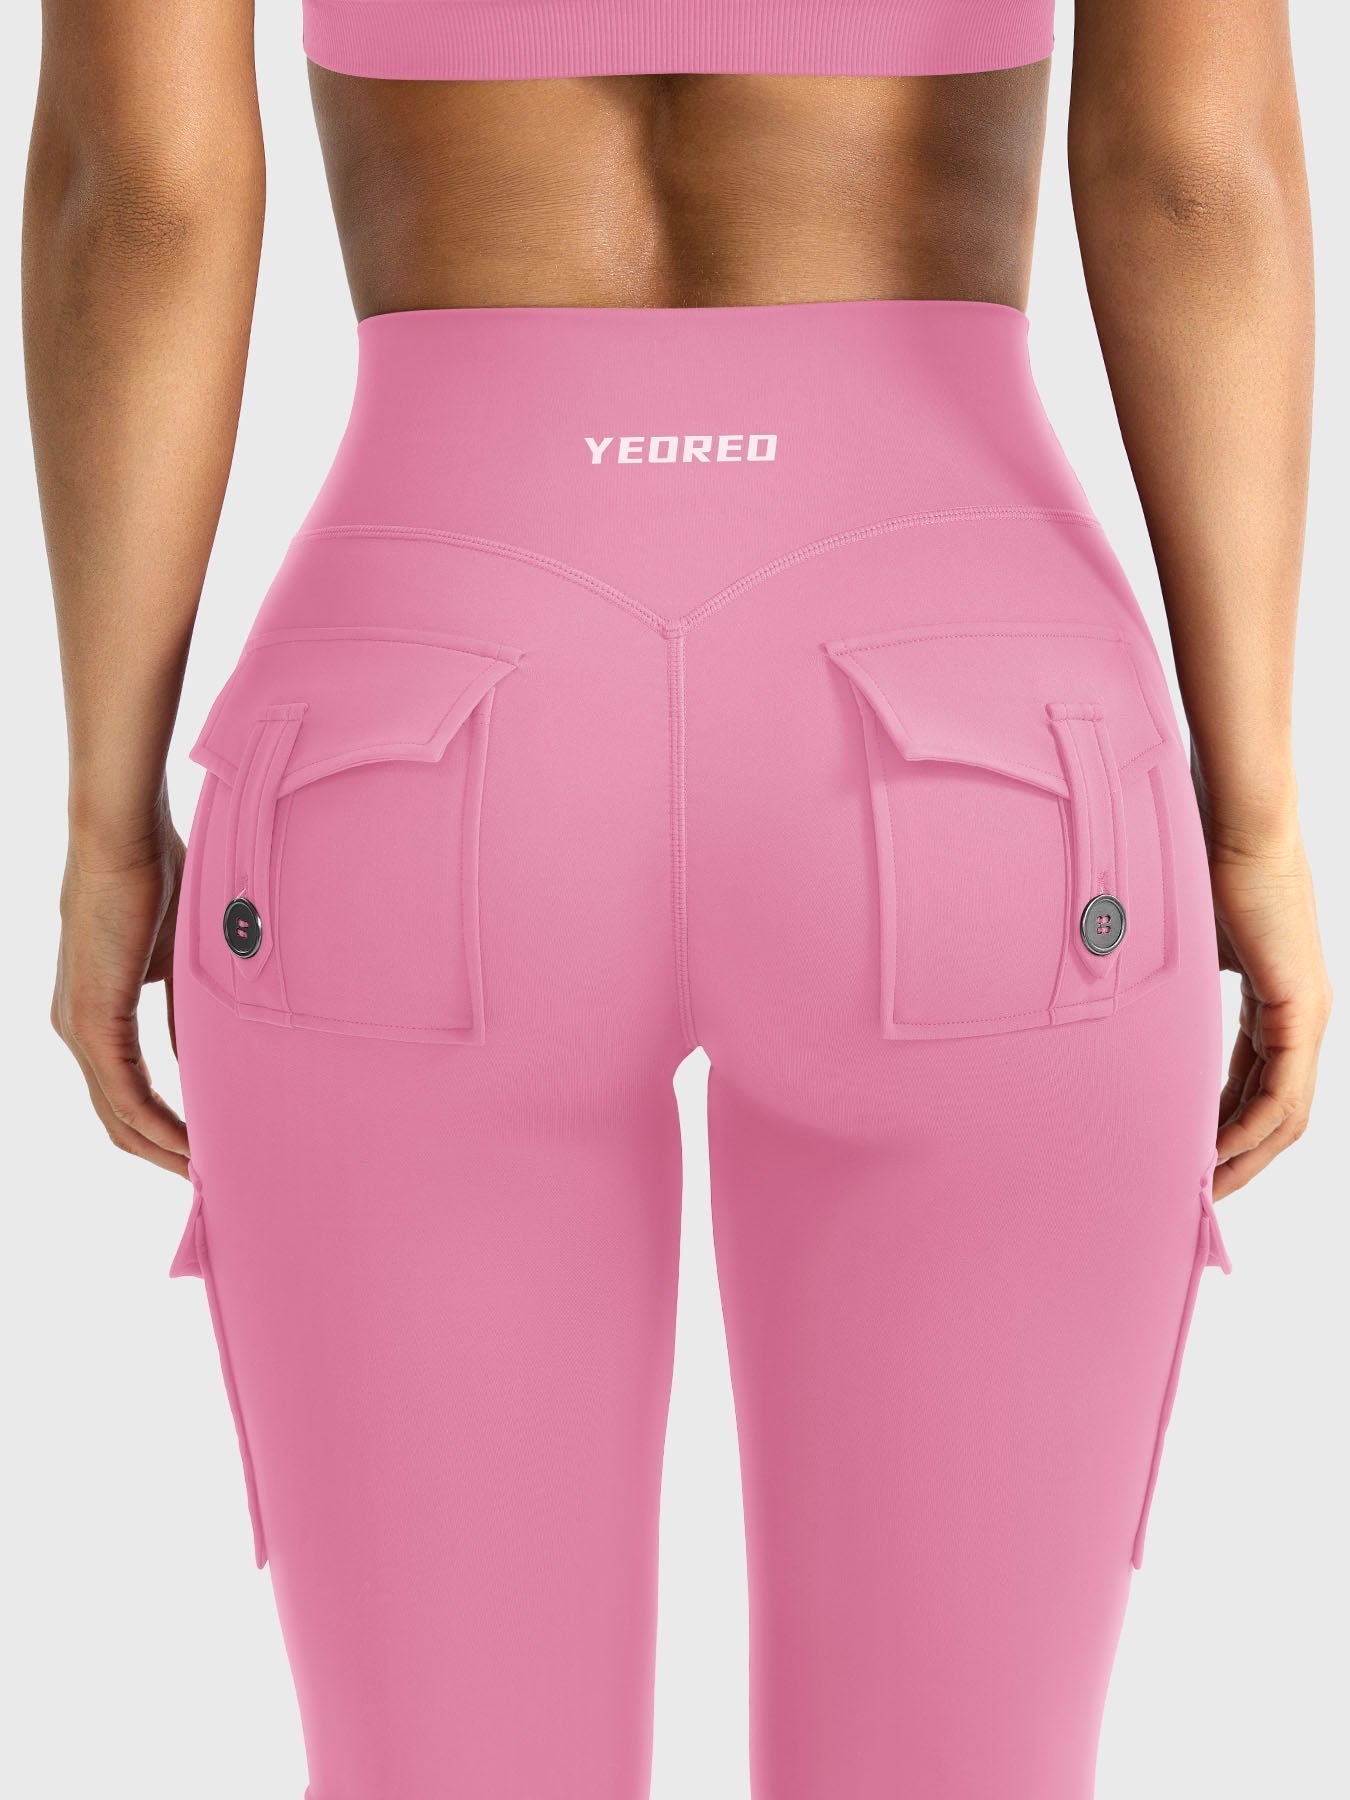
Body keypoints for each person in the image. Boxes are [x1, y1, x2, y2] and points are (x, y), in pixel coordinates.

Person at [24, 1, 1330, 1794]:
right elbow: (1192, 178)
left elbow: (143, 199)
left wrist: (109, 823)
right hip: (976, 735)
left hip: (418, 730)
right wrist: (1249, 813)